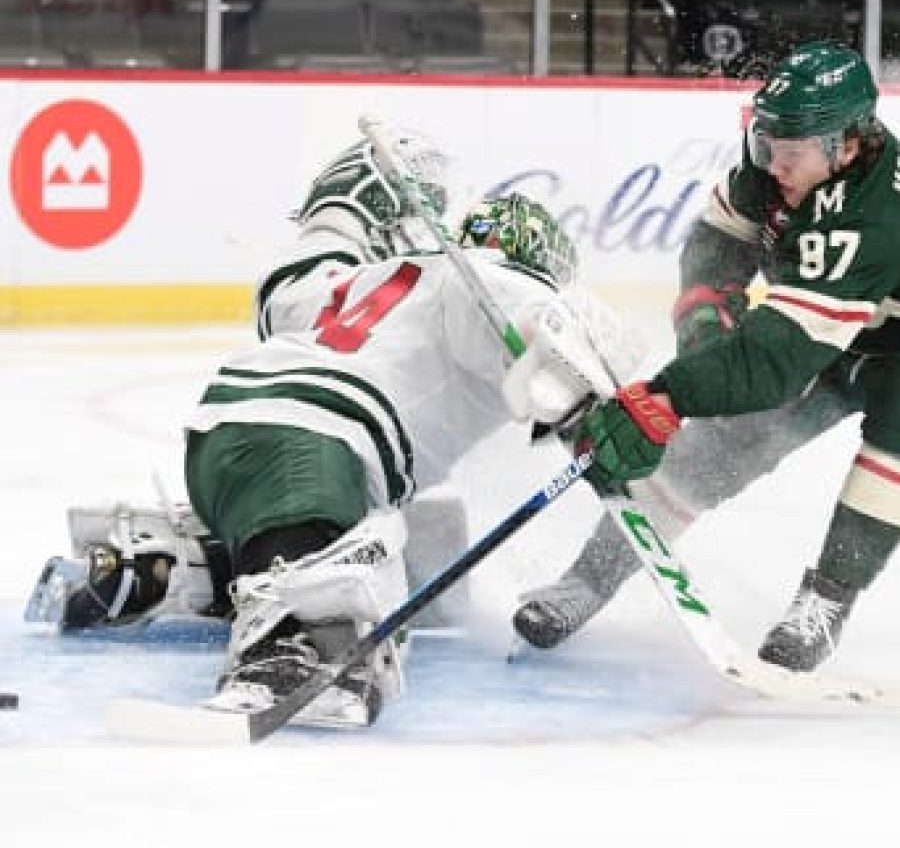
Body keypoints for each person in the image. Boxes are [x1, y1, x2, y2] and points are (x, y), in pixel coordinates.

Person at [26, 130, 639, 727]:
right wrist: (593, 389)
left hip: (226, 430)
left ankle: (159, 567)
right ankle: (285, 650)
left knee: (417, 550)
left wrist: (339, 216)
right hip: (317, 442)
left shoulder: (367, 275)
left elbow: (283, 291)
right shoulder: (493, 283)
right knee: (335, 592)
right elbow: (532, 319)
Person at [512, 40, 900, 676]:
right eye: (768, 143)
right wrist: (704, 323)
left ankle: (826, 601)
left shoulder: (871, 215)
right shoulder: (779, 163)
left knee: (891, 457)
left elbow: (778, 358)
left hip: (873, 345)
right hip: (834, 328)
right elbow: (718, 242)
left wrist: (668, 392)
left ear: (847, 146)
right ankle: (589, 577)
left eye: (792, 152)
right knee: (722, 446)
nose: (773, 162)